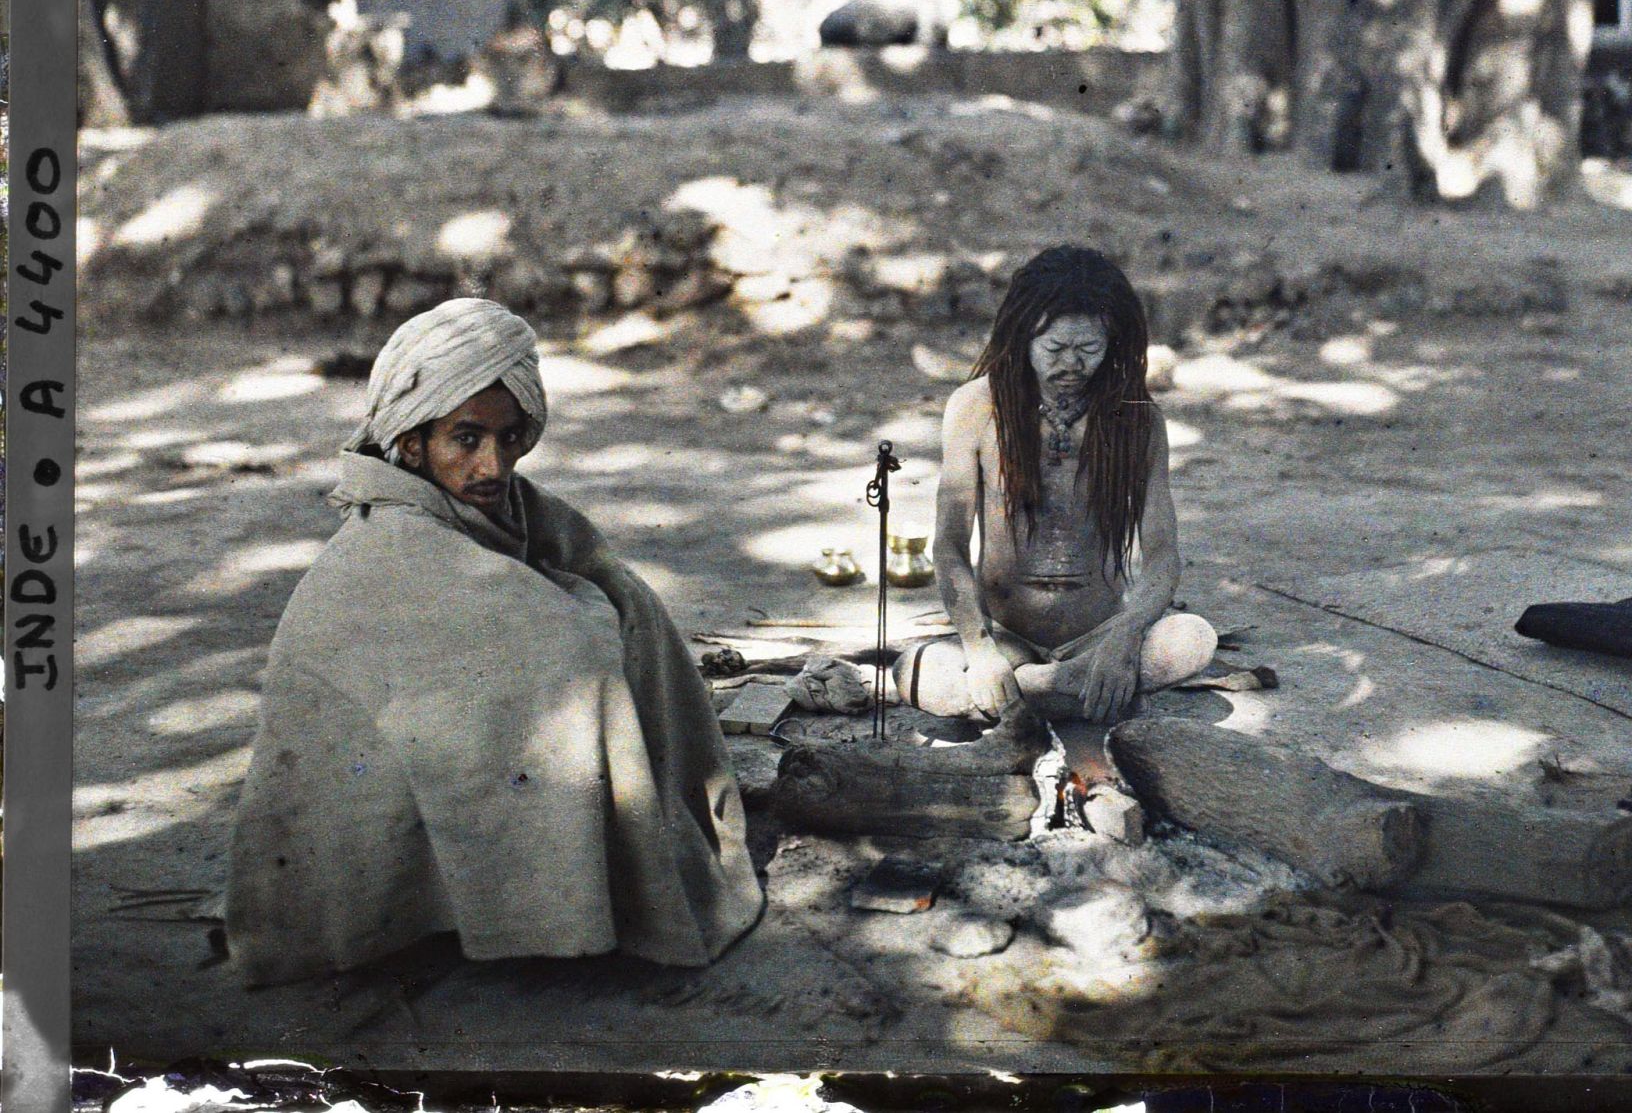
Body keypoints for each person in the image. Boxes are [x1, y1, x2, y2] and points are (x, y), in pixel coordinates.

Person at [224, 298, 763, 986]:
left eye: (509, 440)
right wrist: (585, 620)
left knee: (625, 603)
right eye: (467, 439)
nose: (493, 465)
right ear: (412, 443)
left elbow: (592, 569)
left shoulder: (493, 505)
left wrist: (607, 600)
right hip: (374, 797)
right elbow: (546, 646)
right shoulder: (393, 537)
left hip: (435, 734)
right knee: (574, 657)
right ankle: (540, 903)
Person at [894, 246, 1216, 791]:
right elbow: (948, 545)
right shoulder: (974, 407)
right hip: (1005, 636)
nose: (1072, 364)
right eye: (1056, 348)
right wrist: (977, 645)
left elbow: (1163, 555)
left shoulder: (1138, 421)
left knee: (1193, 639)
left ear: (1113, 344)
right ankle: (1073, 693)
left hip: (1101, 634)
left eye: (1089, 348)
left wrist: (1125, 639)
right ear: (1023, 337)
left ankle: (1029, 695)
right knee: (917, 673)